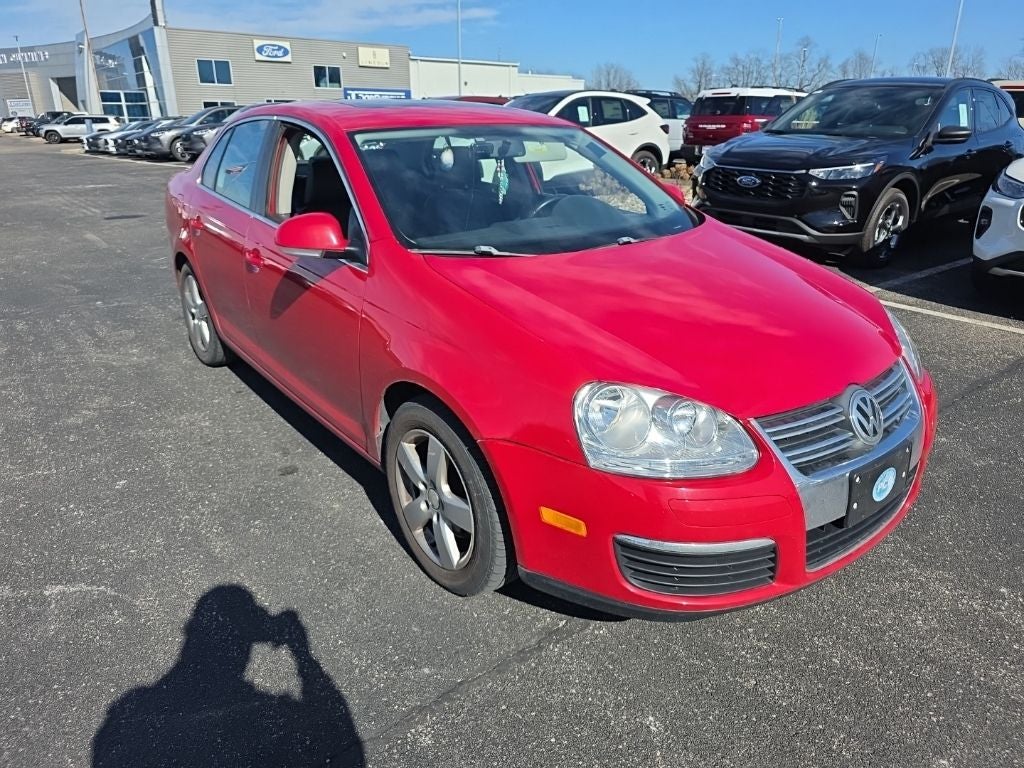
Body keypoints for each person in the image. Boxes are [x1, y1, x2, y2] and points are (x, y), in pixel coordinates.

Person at [92, 585, 364, 767]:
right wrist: (302, 654)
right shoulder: (268, 716)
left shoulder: (127, 717)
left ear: (191, 632)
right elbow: (337, 728)